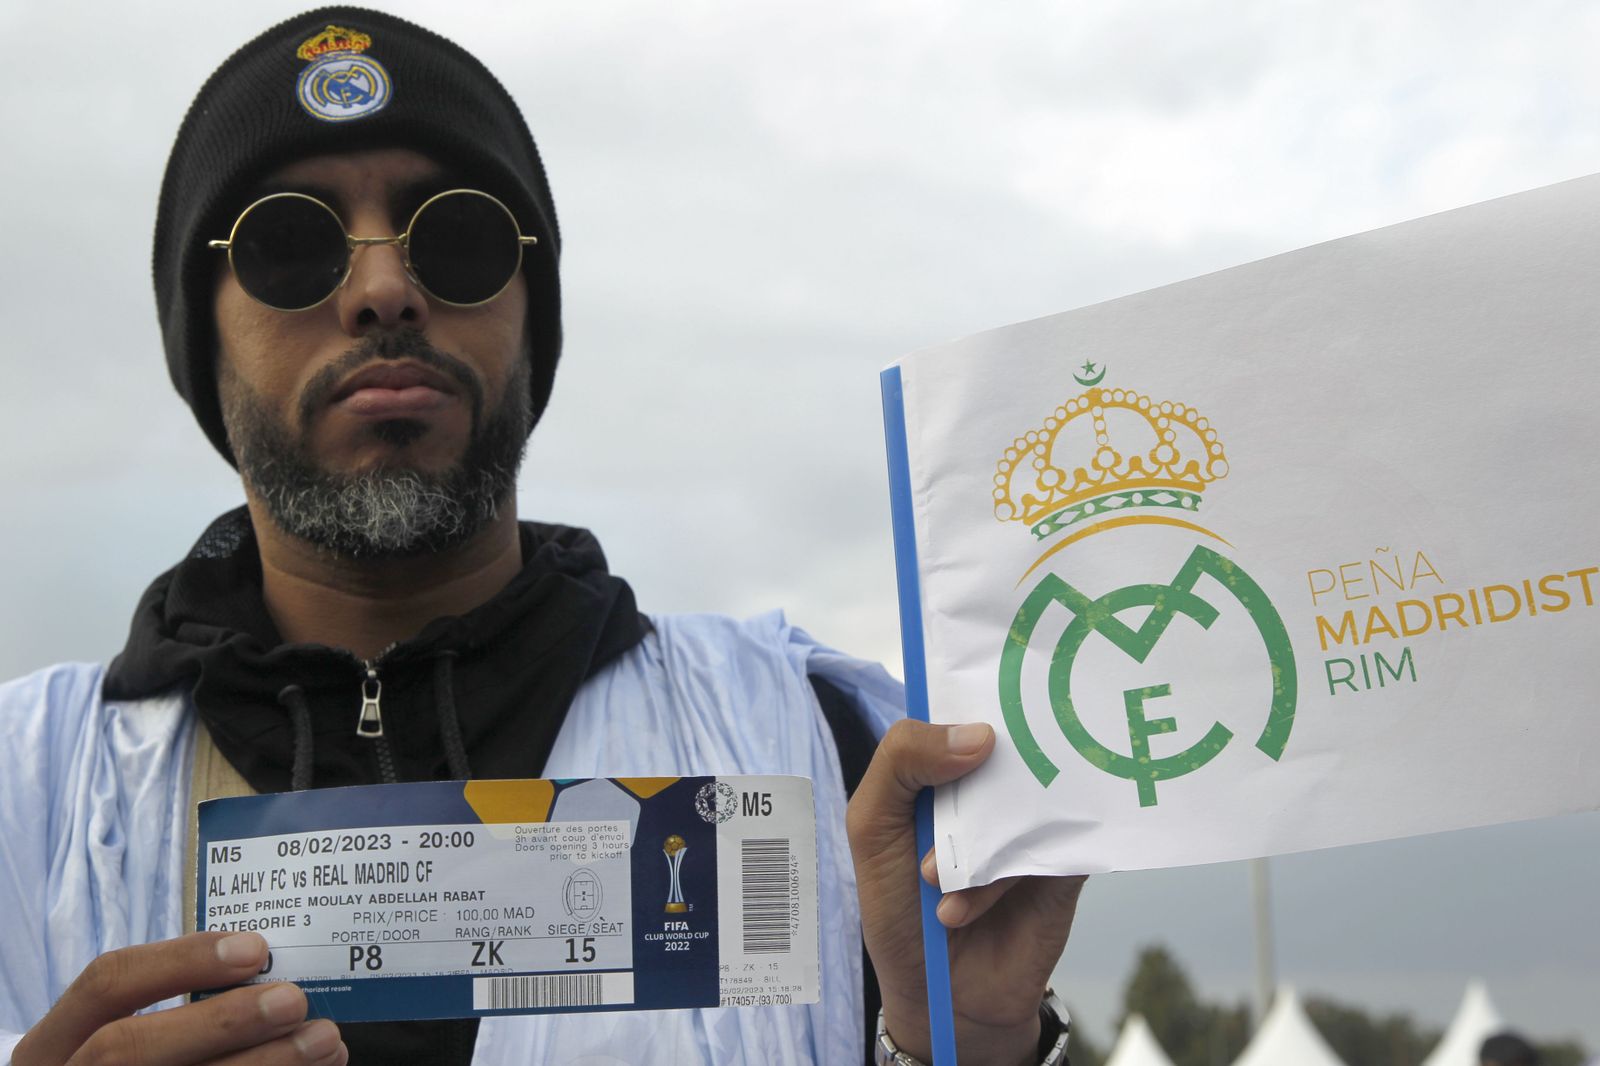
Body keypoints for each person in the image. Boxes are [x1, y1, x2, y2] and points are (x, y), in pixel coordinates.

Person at [0, 8, 1082, 1066]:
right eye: (291, 244)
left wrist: (970, 1051)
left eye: (457, 237)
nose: (384, 289)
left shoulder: (824, 750)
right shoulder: (24, 793)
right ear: (202, 332)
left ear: (533, 318)